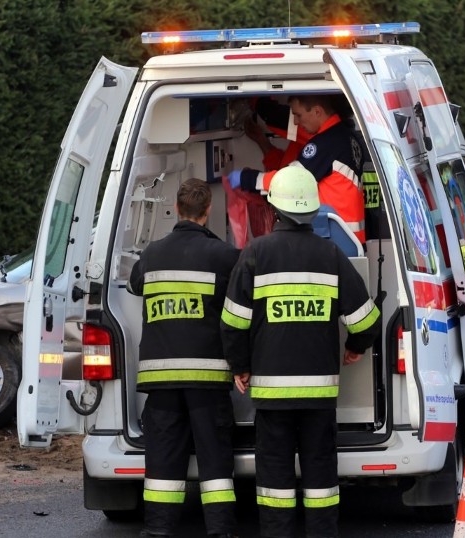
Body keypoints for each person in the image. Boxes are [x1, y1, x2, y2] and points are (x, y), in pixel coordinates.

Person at [221, 166, 380, 537]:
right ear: (313, 210)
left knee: (274, 477)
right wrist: (355, 348)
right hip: (319, 396)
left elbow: (232, 323)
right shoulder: (331, 255)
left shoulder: (255, 254)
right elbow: (366, 322)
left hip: (272, 396)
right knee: (320, 476)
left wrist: (240, 367)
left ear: (274, 209)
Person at [127, 178, 240, 538]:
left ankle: (157, 531)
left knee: (162, 460)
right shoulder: (224, 255)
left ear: (177, 209)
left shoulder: (152, 253)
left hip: (161, 381)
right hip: (207, 379)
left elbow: (134, 285)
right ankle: (220, 531)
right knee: (214, 459)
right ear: (208, 211)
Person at [229, 94, 366, 243]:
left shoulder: (327, 143)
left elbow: (289, 180)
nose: (296, 121)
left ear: (317, 112)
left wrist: (247, 178)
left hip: (336, 238)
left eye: (298, 115)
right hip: (348, 238)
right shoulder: (345, 136)